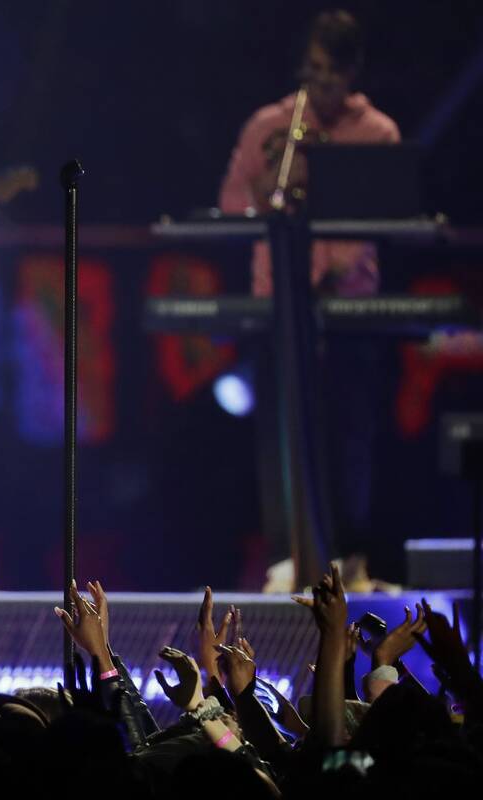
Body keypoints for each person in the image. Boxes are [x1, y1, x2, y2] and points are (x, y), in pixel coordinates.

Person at [218, 10, 401, 591]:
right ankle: (285, 555)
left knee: (349, 429)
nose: (320, 87)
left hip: (346, 307)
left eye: (332, 76)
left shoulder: (377, 132)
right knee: (278, 430)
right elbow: (230, 205)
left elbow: (381, 219)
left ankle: (350, 555)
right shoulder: (268, 125)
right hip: (280, 302)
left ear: (352, 73)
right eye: (313, 72)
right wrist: (267, 191)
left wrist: (333, 267)